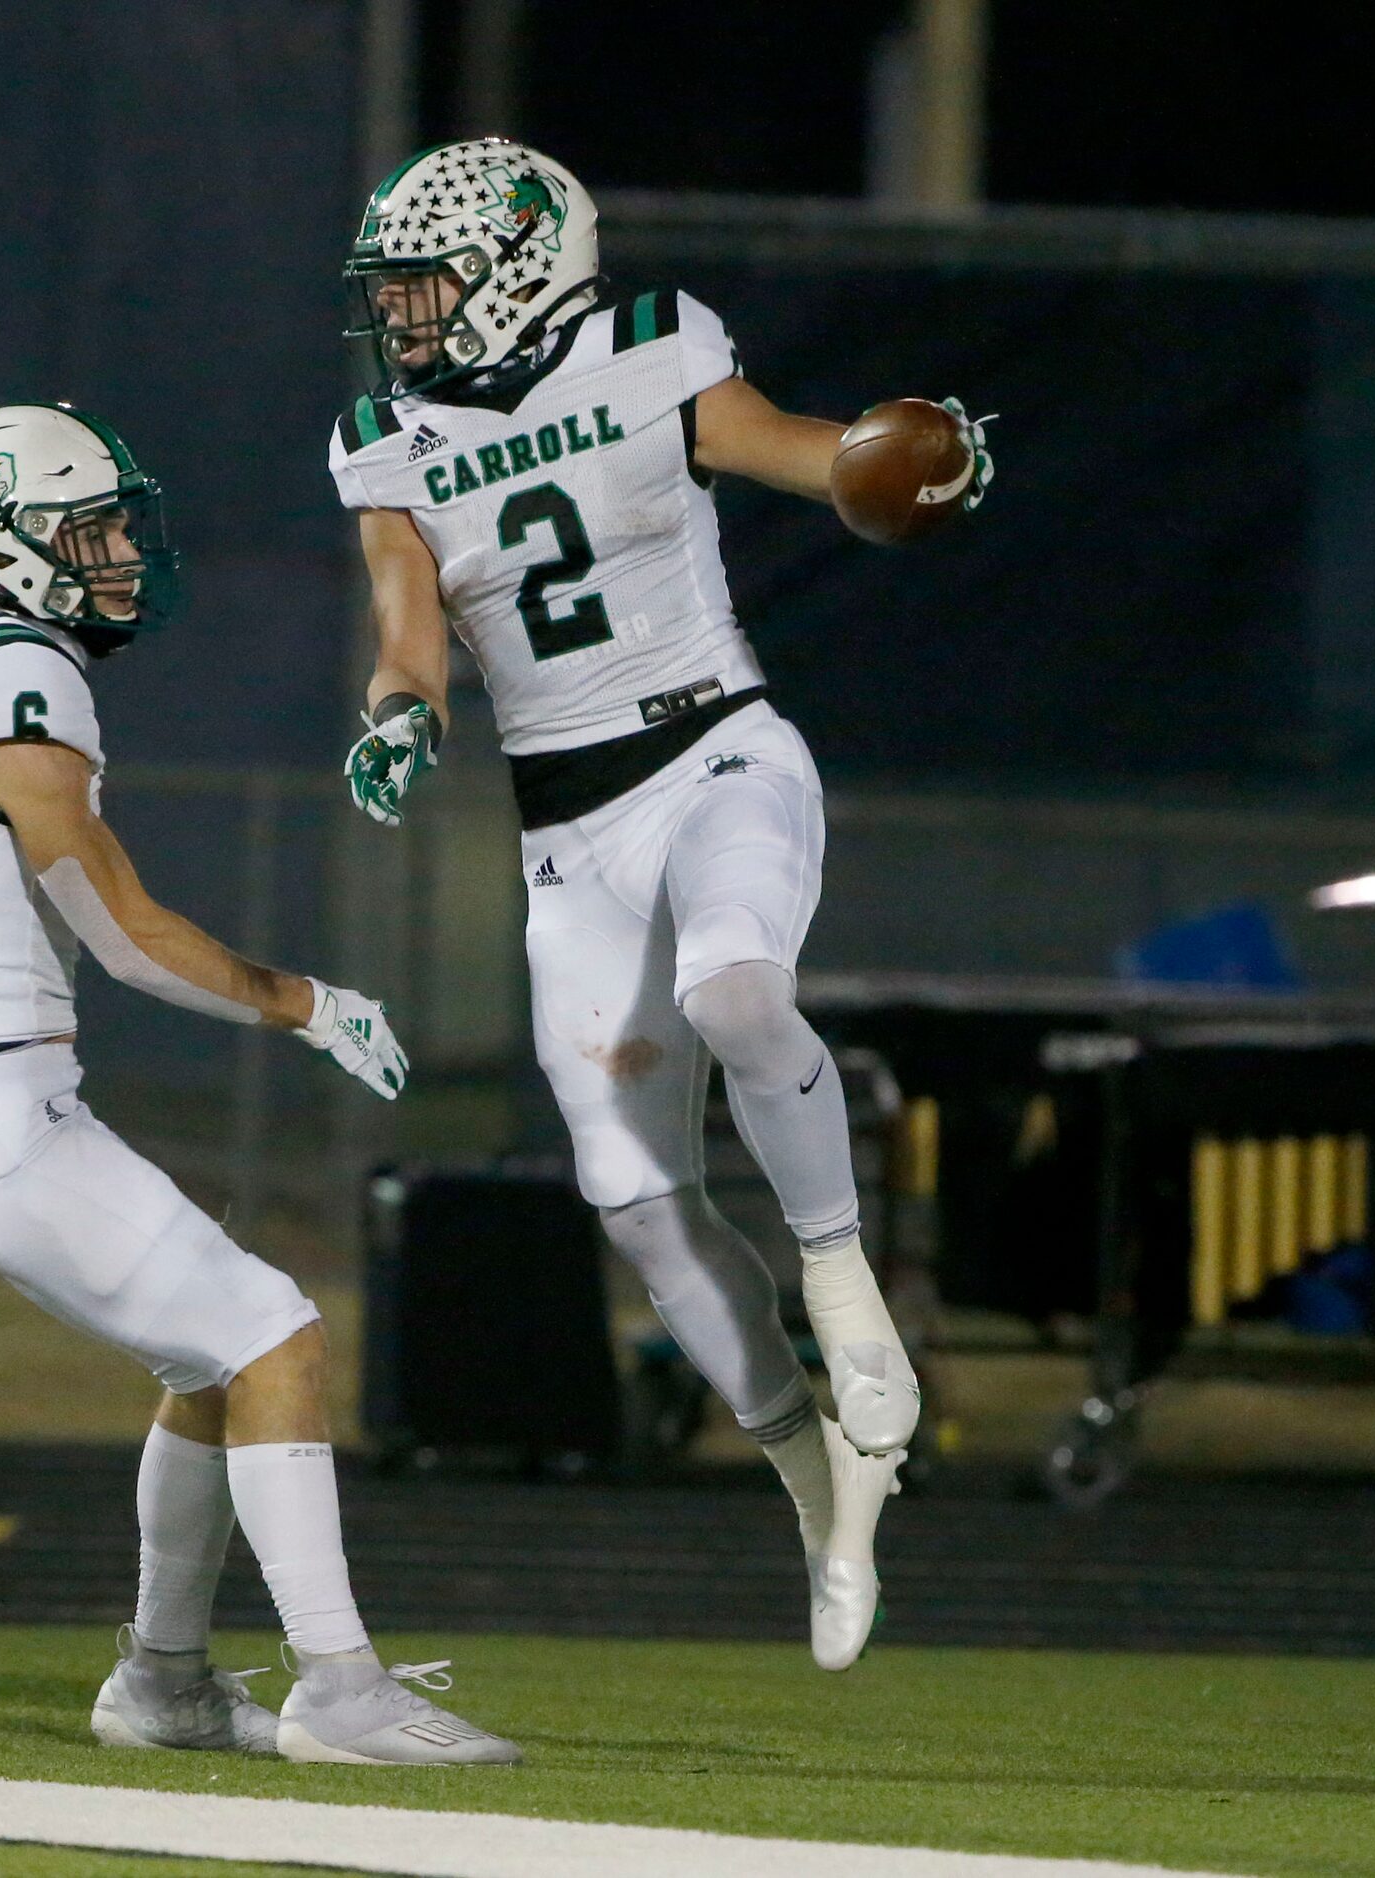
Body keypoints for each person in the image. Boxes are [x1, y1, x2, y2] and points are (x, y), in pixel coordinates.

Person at [326, 140, 994, 1671]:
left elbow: (786, 446)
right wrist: (397, 714)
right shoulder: (385, 439)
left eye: (428, 283)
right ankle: (815, 1487)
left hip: (713, 752)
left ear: (516, 267)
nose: (405, 316)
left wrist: (893, 459)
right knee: (629, 1193)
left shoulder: (648, 350)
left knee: (739, 991)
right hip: (567, 831)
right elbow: (408, 622)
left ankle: (840, 1278)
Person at [0, 402, 517, 1765]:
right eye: (92, 526)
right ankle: (339, 1686)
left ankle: (165, 1680)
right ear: (5, 539)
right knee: (275, 1334)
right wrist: (303, 1002)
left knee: (211, 1358)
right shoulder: (17, 673)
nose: (121, 548)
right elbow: (118, 932)